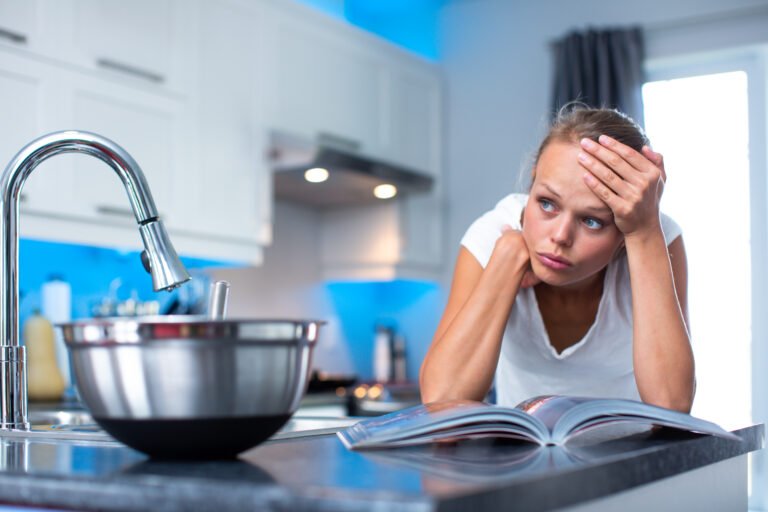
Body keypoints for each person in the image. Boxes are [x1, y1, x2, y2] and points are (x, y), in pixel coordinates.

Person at [419, 106, 695, 413]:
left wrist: (644, 233)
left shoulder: (655, 236)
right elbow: (440, 401)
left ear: (622, 233)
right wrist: (508, 257)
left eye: (592, 221)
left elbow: (672, 404)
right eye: (547, 203)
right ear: (532, 181)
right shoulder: (492, 235)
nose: (561, 236)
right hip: (523, 456)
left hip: (630, 457)